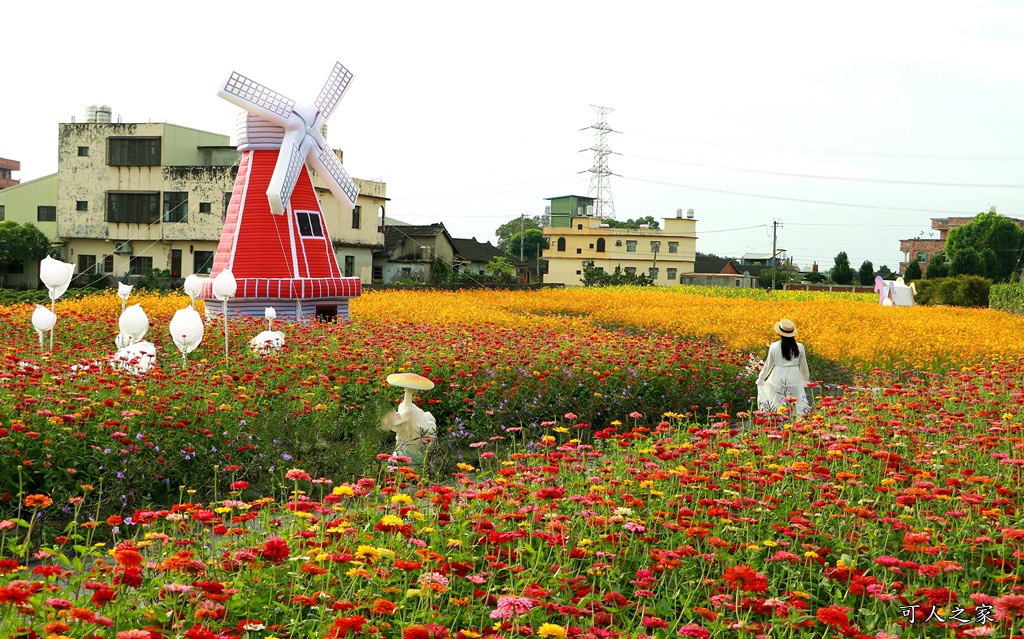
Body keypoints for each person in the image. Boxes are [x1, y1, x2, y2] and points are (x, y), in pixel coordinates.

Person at [755, 318, 811, 415]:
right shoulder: (799, 347)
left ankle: (777, 421)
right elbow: (804, 366)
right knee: (796, 402)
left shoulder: (774, 346)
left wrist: (761, 378)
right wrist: (805, 379)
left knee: (777, 400)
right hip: (794, 376)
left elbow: (768, 365)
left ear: (779, 333)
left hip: (778, 375)